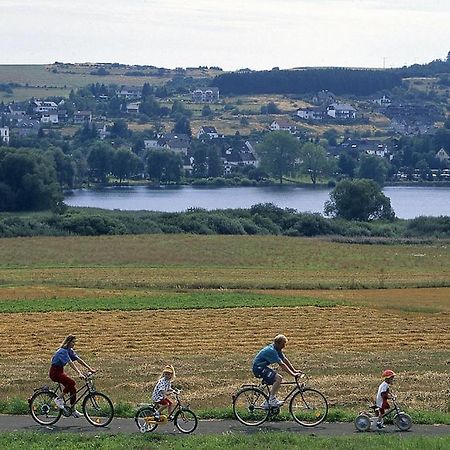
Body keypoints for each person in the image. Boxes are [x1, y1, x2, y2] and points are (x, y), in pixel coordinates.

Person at [49, 335, 96, 418]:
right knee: (72, 382)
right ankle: (58, 399)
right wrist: (79, 373)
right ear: (68, 342)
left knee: (73, 389)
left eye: (75, 342)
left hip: (60, 371)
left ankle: (73, 410)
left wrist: (90, 369)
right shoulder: (62, 351)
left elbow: (78, 360)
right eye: (73, 342)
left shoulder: (69, 350)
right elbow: (70, 363)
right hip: (55, 373)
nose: (74, 344)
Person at [252, 334, 302, 407]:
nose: (284, 346)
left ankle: (267, 402)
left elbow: (285, 360)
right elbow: (282, 365)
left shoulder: (277, 348)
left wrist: (294, 371)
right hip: (258, 368)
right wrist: (293, 374)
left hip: (262, 367)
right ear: (278, 343)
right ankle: (271, 400)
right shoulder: (272, 351)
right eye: (283, 344)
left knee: (277, 378)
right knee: (278, 378)